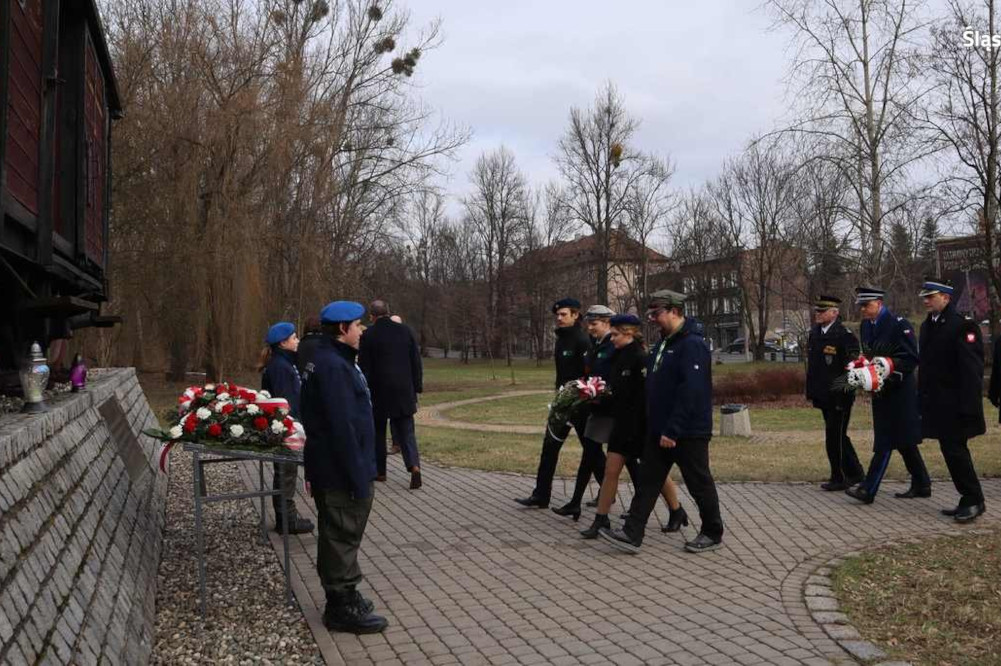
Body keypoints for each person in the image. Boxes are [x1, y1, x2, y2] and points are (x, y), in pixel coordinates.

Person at [600, 290, 723, 554]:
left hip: (687, 431)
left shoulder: (692, 345)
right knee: (647, 482)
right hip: (659, 429)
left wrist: (673, 429)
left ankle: (712, 532)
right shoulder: (665, 343)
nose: (652, 319)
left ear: (675, 311)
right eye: (651, 314)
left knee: (698, 482)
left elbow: (691, 391)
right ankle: (632, 532)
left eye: (657, 313)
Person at [301, 300, 388, 634]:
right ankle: (340, 605)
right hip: (341, 472)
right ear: (342, 329)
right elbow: (342, 428)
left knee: (339, 533)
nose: (362, 330)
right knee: (341, 534)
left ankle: (346, 594)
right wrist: (357, 477)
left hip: (334, 467)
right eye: (357, 325)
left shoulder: (329, 359)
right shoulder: (334, 367)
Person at [579, 314, 688, 539]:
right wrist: (599, 396)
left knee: (656, 474)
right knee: (611, 472)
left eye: (615, 335)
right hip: (621, 424)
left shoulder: (641, 358)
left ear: (628, 333)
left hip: (640, 427)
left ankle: (676, 510)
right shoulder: (617, 355)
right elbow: (616, 389)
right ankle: (601, 520)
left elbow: (648, 395)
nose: (612, 339)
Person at [845, 286, 931, 505]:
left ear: (879, 303)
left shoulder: (899, 324)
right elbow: (870, 354)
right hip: (880, 390)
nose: (863, 309)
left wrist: (889, 369)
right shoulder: (866, 325)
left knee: (885, 440)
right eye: (861, 306)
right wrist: (863, 369)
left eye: (866, 305)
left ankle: (868, 489)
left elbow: (911, 358)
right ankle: (922, 483)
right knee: (905, 440)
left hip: (900, 391)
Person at [918, 278, 986, 523]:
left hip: (956, 404)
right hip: (937, 403)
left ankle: (974, 499)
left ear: (946, 297)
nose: (926, 301)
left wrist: (969, 407)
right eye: (925, 297)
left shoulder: (962, 326)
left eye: (931, 296)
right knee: (950, 451)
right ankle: (968, 498)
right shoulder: (928, 325)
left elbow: (971, 371)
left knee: (956, 452)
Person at [515, 297, 591, 509]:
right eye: (557, 315)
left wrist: (578, 397)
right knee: (549, 448)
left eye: (563, 314)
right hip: (561, 406)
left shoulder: (582, 341)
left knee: (592, 451)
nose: (559, 318)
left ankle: (607, 492)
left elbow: (588, 375)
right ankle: (541, 495)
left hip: (580, 405)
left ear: (575, 315)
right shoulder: (561, 339)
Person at [552, 304, 614, 520]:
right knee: (589, 454)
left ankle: (671, 508)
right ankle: (576, 503)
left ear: (607, 323)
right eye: (589, 323)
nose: (590, 328)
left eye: (594, 323)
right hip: (595, 407)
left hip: (612, 411)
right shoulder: (596, 344)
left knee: (633, 463)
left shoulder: (612, 345)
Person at [359, 300, 423, 489]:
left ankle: (380, 471)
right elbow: (415, 361)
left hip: (378, 391)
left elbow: (364, 366)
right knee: (406, 431)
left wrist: (364, 390)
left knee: (378, 432)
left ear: (372, 316)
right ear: (388, 312)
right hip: (403, 389)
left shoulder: (368, 335)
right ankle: (414, 466)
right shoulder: (406, 331)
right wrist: (416, 387)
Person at [805, 296, 865, 491]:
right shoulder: (815, 333)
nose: (818, 314)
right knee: (837, 436)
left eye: (822, 311)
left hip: (839, 396)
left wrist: (844, 394)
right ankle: (853, 472)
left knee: (835, 436)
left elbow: (851, 368)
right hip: (823, 394)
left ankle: (840, 476)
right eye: (817, 311)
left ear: (834, 313)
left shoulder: (844, 335)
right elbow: (815, 367)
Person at [260, 322, 314, 534]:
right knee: (286, 473)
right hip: (286, 428)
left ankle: (287, 517)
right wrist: (293, 424)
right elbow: (284, 401)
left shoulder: (283, 362)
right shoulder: (280, 367)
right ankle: (287, 520)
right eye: (294, 338)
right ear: (283, 343)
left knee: (287, 472)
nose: (297, 340)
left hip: (287, 425)